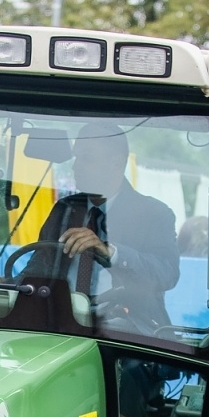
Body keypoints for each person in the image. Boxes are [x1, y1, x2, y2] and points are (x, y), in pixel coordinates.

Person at [27, 130, 180, 329]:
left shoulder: (153, 213)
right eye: (76, 158)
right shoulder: (64, 209)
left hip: (124, 332)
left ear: (117, 163)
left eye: (86, 158)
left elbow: (166, 274)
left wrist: (112, 253)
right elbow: (40, 266)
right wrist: (4, 284)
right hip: (59, 323)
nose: (75, 166)